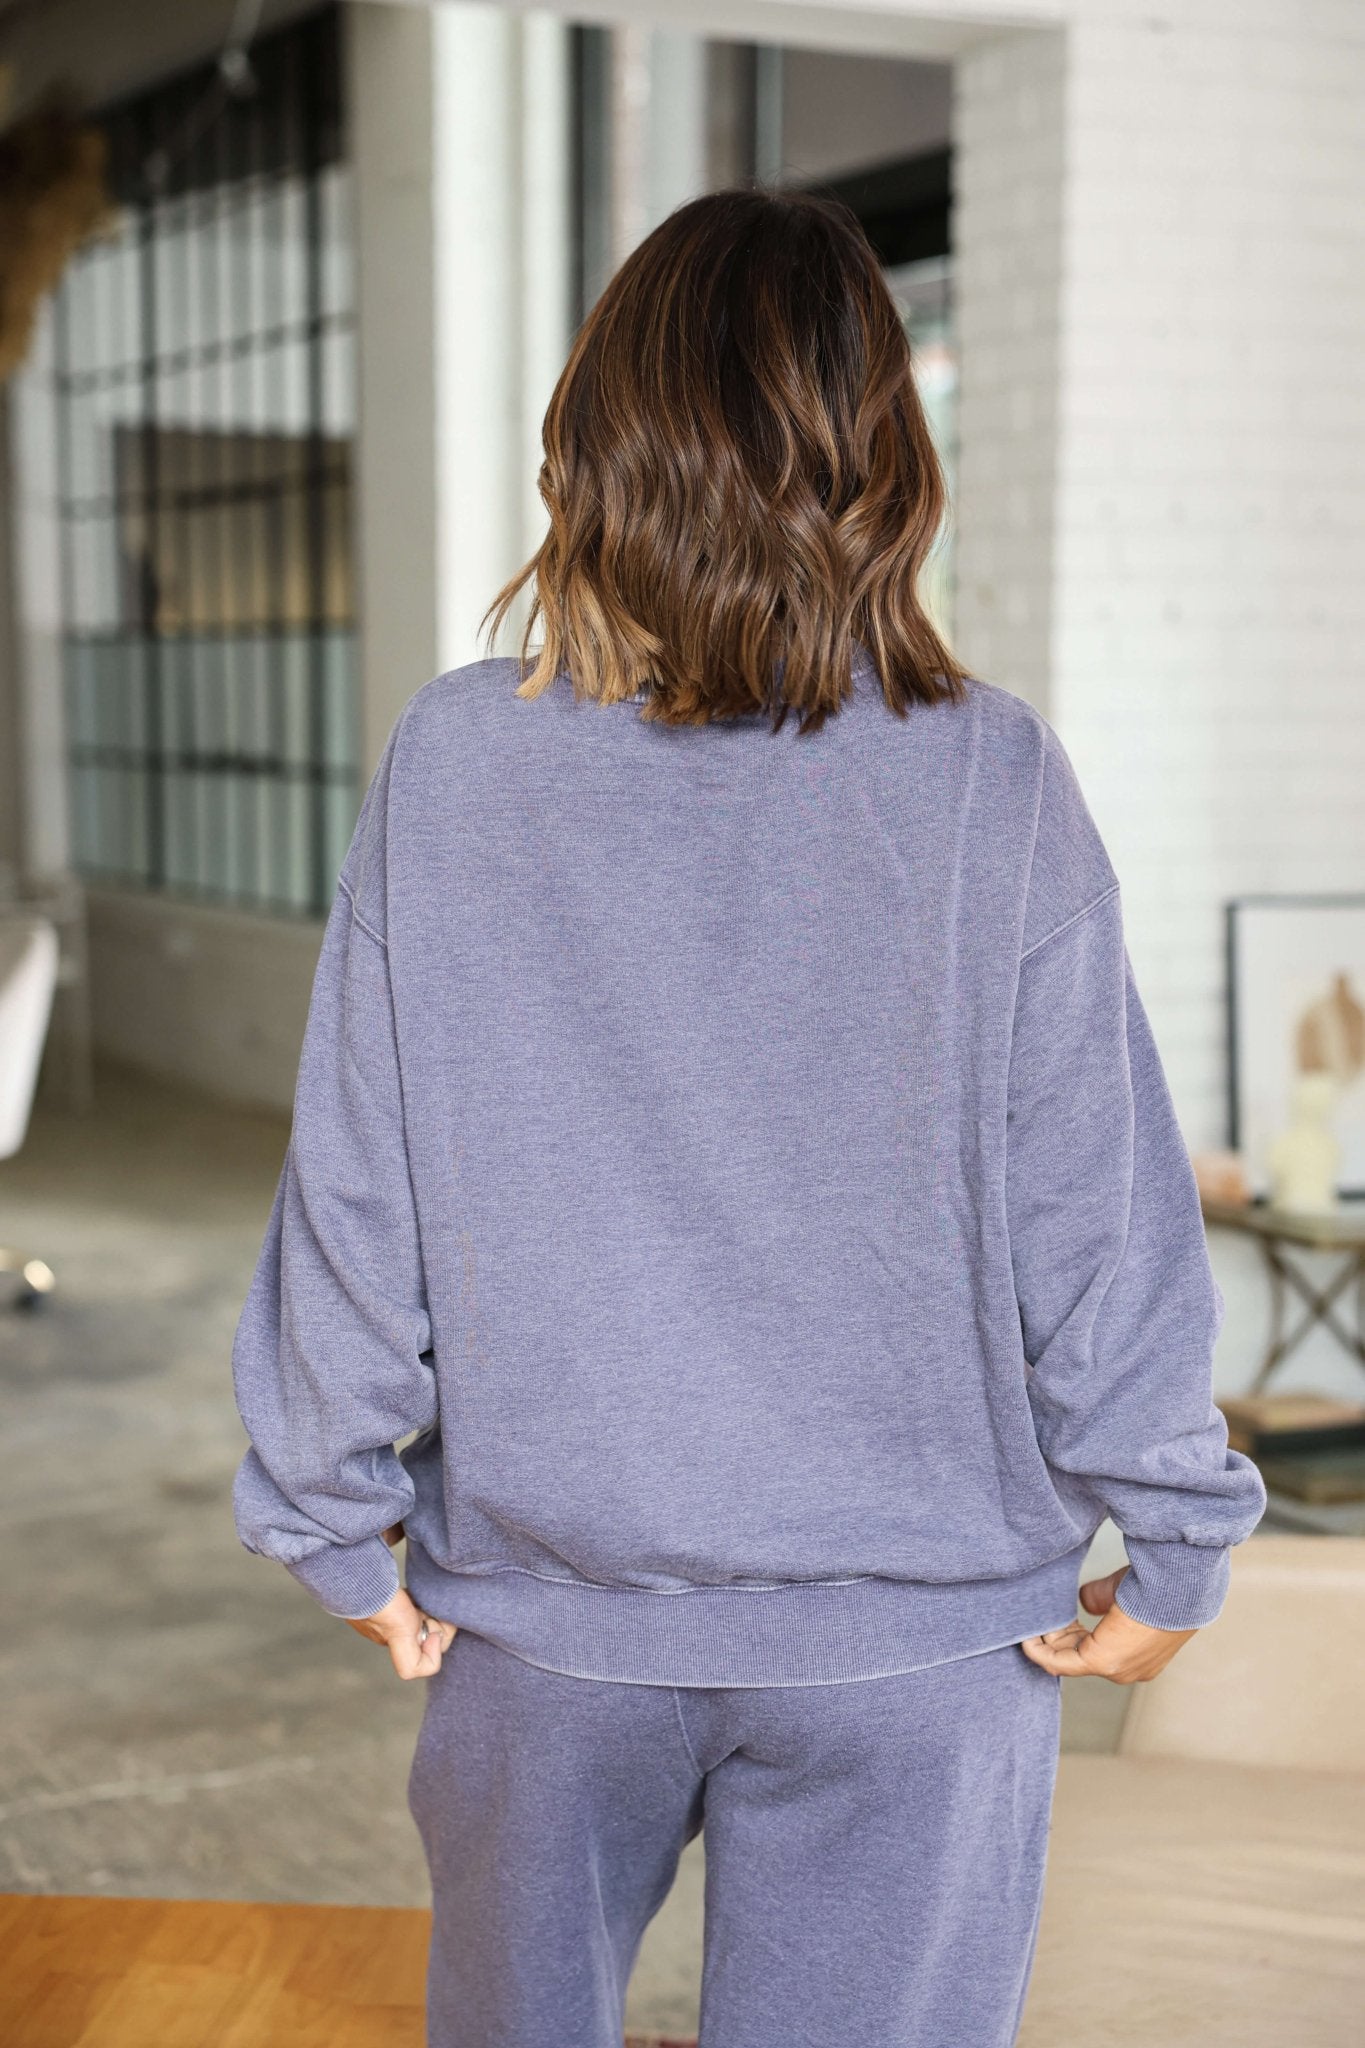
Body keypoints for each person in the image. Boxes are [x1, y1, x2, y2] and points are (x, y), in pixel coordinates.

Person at [230, 188, 1266, 2048]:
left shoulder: (458, 760)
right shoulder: (990, 775)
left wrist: (327, 1504)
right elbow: (1095, 1209)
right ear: (882, 456)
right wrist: (1175, 1530)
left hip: (546, 1625)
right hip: (918, 1641)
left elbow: (357, 1183)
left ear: (595, 436)